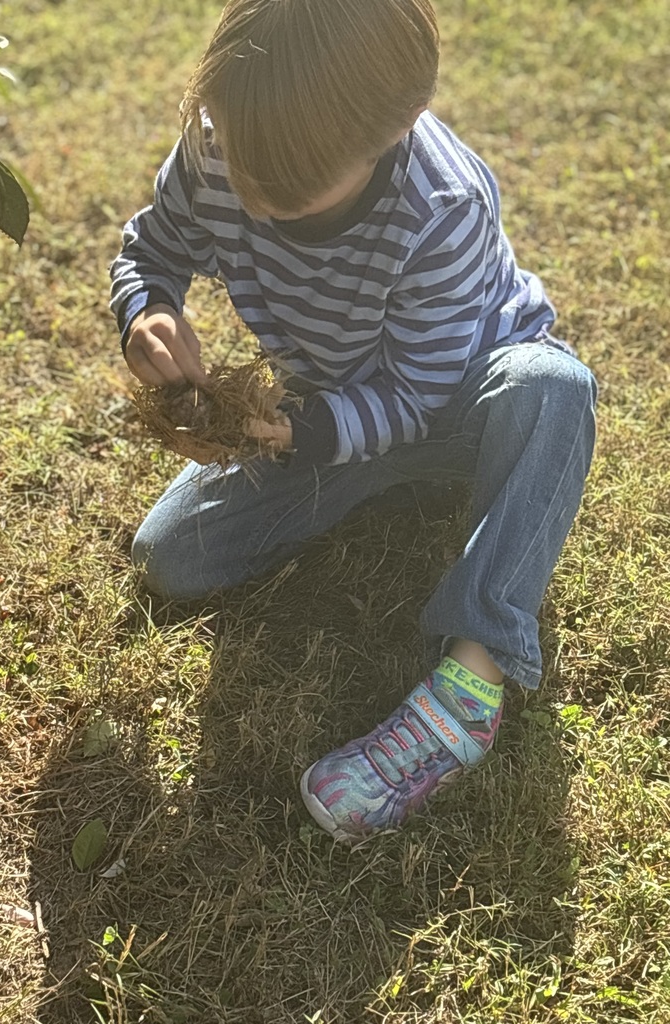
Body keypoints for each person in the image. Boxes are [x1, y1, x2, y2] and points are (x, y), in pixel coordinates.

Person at [110, 0, 597, 843]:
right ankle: (384, 491)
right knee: (173, 555)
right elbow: (151, 246)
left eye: (290, 187)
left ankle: (473, 680)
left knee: (553, 386)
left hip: (458, 407)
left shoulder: (439, 205)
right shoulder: (221, 140)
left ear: (398, 127)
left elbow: (415, 394)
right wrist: (146, 312)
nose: (255, 200)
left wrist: (303, 434)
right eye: (241, 167)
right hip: (326, 412)